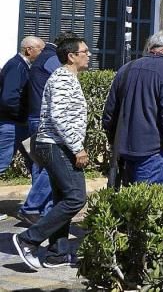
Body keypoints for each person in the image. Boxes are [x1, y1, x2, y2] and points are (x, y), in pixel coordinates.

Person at [12, 35, 90, 270]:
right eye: (84, 51)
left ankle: (57, 253)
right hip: (56, 145)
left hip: (58, 144)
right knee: (76, 197)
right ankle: (28, 239)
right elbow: (59, 117)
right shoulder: (63, 79)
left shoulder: (67, 77)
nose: (88, 55)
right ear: (71, 56)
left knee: (62, 198)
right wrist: (78, 148)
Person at [102, 30, 163, 186]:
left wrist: (115, 142)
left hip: (125, 152)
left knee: (130, 206)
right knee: (148, 207)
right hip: (154, 154)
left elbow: (109, 114)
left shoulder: (126, 68)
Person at [18, 32, 70, 224]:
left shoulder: (43, 58)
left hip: (36, 118)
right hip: (44, 120)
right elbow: (62, 86)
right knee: (52, 165)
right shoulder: (53, 60)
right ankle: (33, 207)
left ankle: (44, 210)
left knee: (41, 165)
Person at [0, 37, 44, 182]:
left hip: (19, 124)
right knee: (2, 162)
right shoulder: (16, 66)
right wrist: (22, 115)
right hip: (12, 125)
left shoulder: (22, 66)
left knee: (36, 163)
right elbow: (9, 98)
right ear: (28, 50)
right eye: (41, 50)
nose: (43, 54)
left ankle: (38, 202)